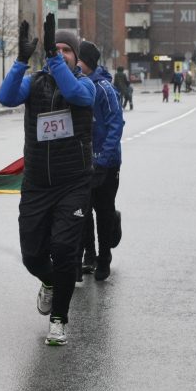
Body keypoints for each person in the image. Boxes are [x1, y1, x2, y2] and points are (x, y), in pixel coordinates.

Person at [0, 15, 95, 346]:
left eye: (68, 50)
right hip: (37, 183)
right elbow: (7, 97)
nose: (62, 53)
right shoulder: (35, 83)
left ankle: (59, 319)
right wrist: (22, 59)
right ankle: (49, 282)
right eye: (57, 49)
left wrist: (52, 57)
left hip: (73, 184)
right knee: (32, 255)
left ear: (76, 57)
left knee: (66, 251)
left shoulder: (85, 85)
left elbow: (72, 92)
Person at [77, 41, 124, 282]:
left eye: (78, 60)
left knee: (103, 212)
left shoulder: (104, 88)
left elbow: (116, 125)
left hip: (106, 163)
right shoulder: (73, 86)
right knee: (82, 211)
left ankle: (104, 258)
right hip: (82, 163)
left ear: (88, 63)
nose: (75, 64)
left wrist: (104, 160)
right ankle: (89, 255)